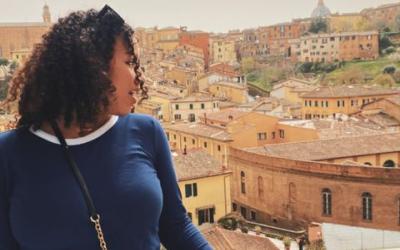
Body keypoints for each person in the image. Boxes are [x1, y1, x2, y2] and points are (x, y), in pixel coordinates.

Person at [0, 5, 212, 250]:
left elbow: (176, 227)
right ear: (94, 67)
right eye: (129, 62)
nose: (138, 76)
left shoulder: (147, 132)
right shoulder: (9, 154)